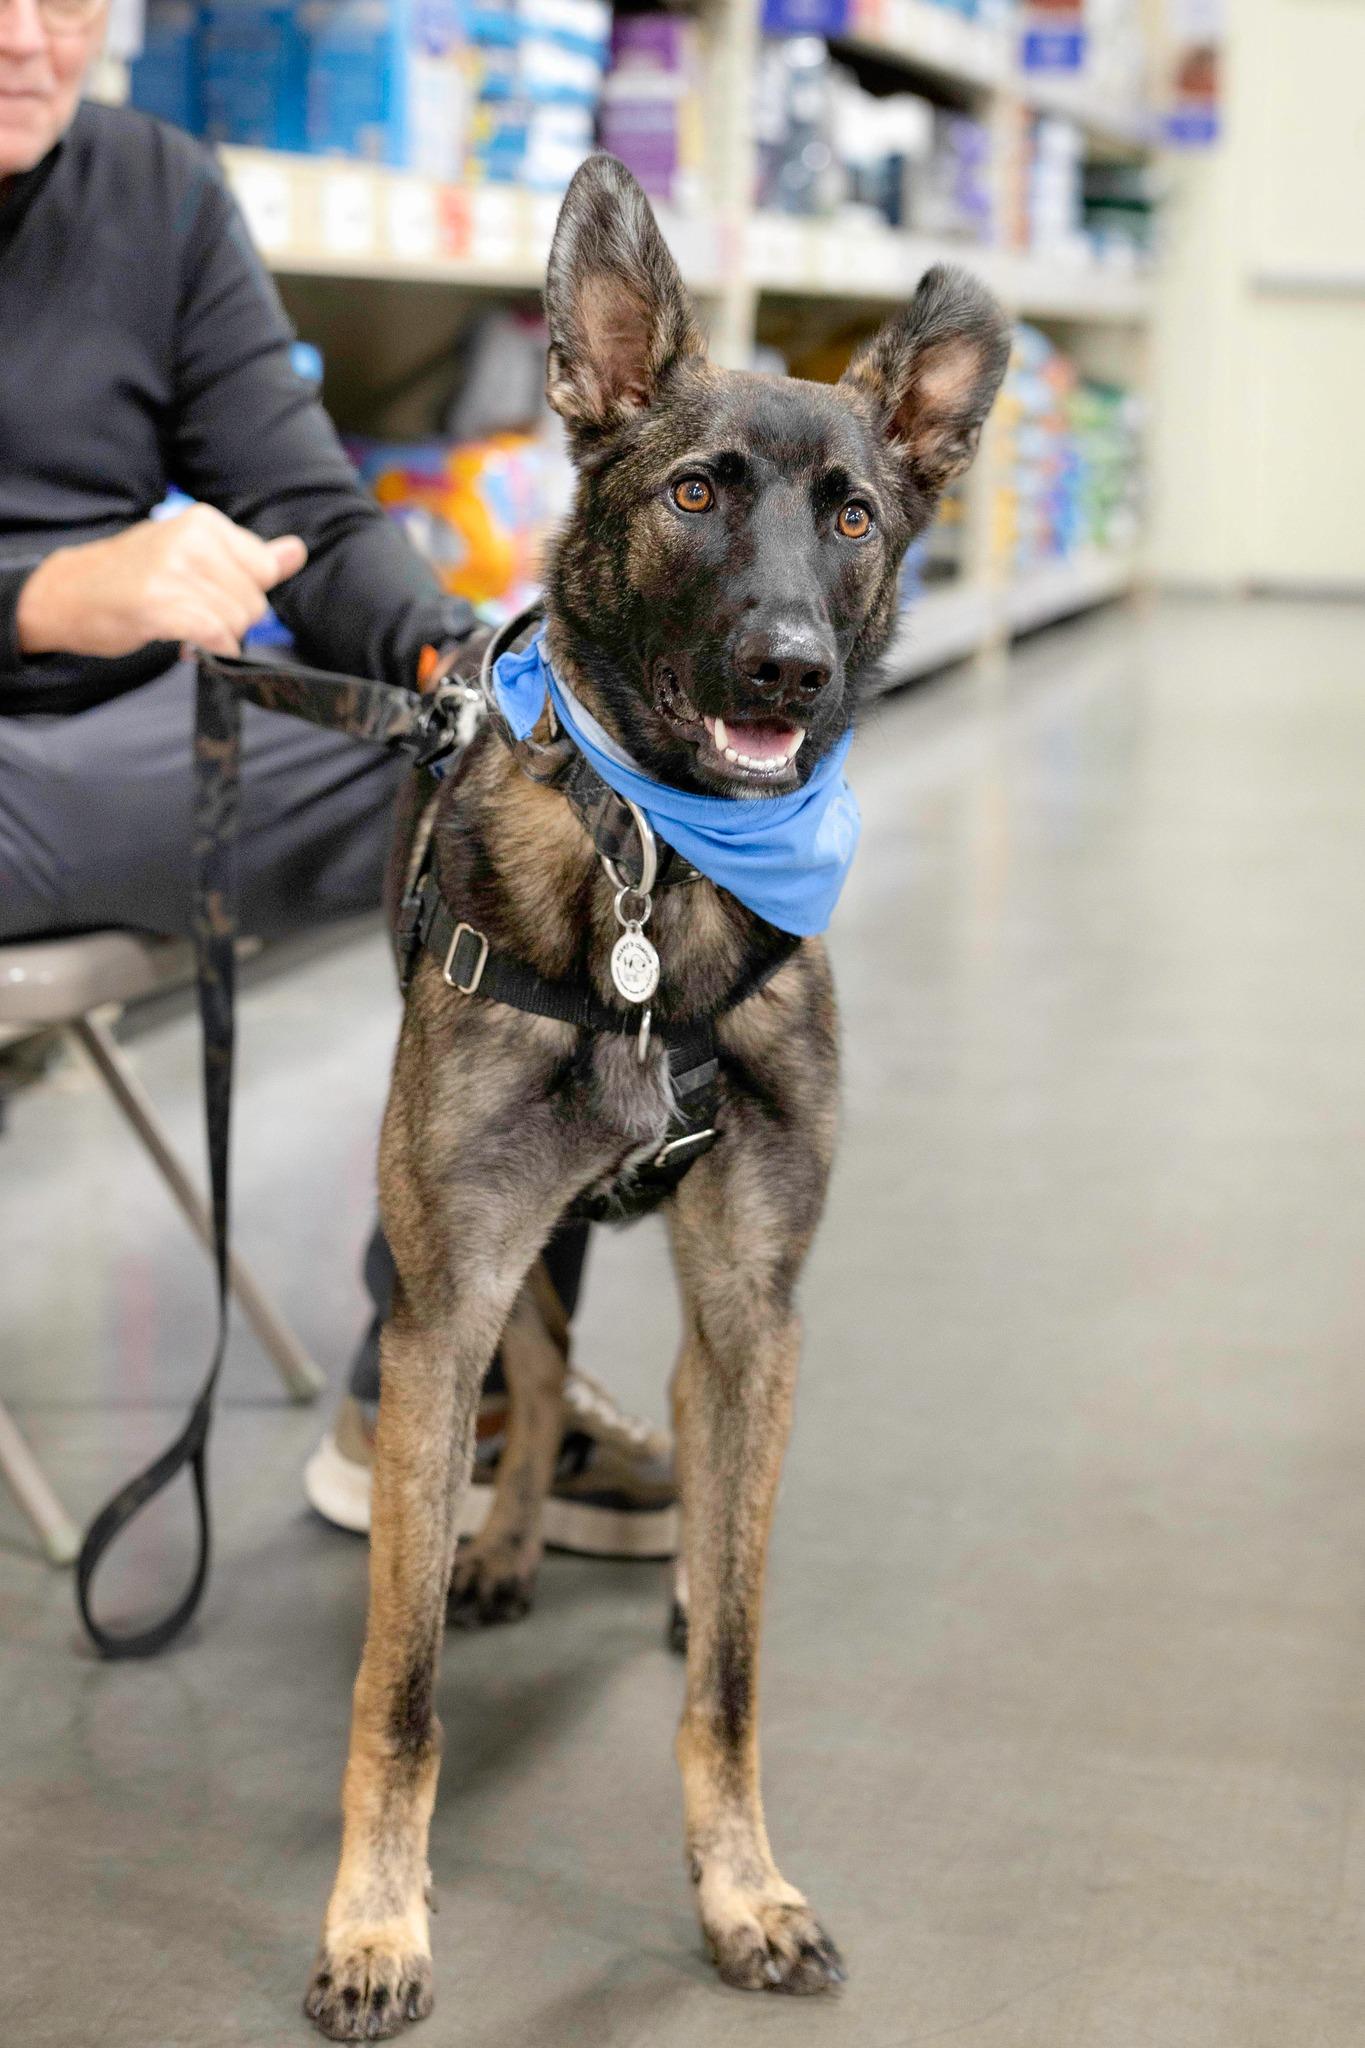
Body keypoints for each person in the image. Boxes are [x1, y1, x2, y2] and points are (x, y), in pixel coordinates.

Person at [0, 0, 676, 1559]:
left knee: (538, 811)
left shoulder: (153, 186)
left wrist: (466, 664)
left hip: (123, 746)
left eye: (75, 0)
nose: (40, 41)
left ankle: (440, 1399)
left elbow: (307, 502)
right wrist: (51, 597)